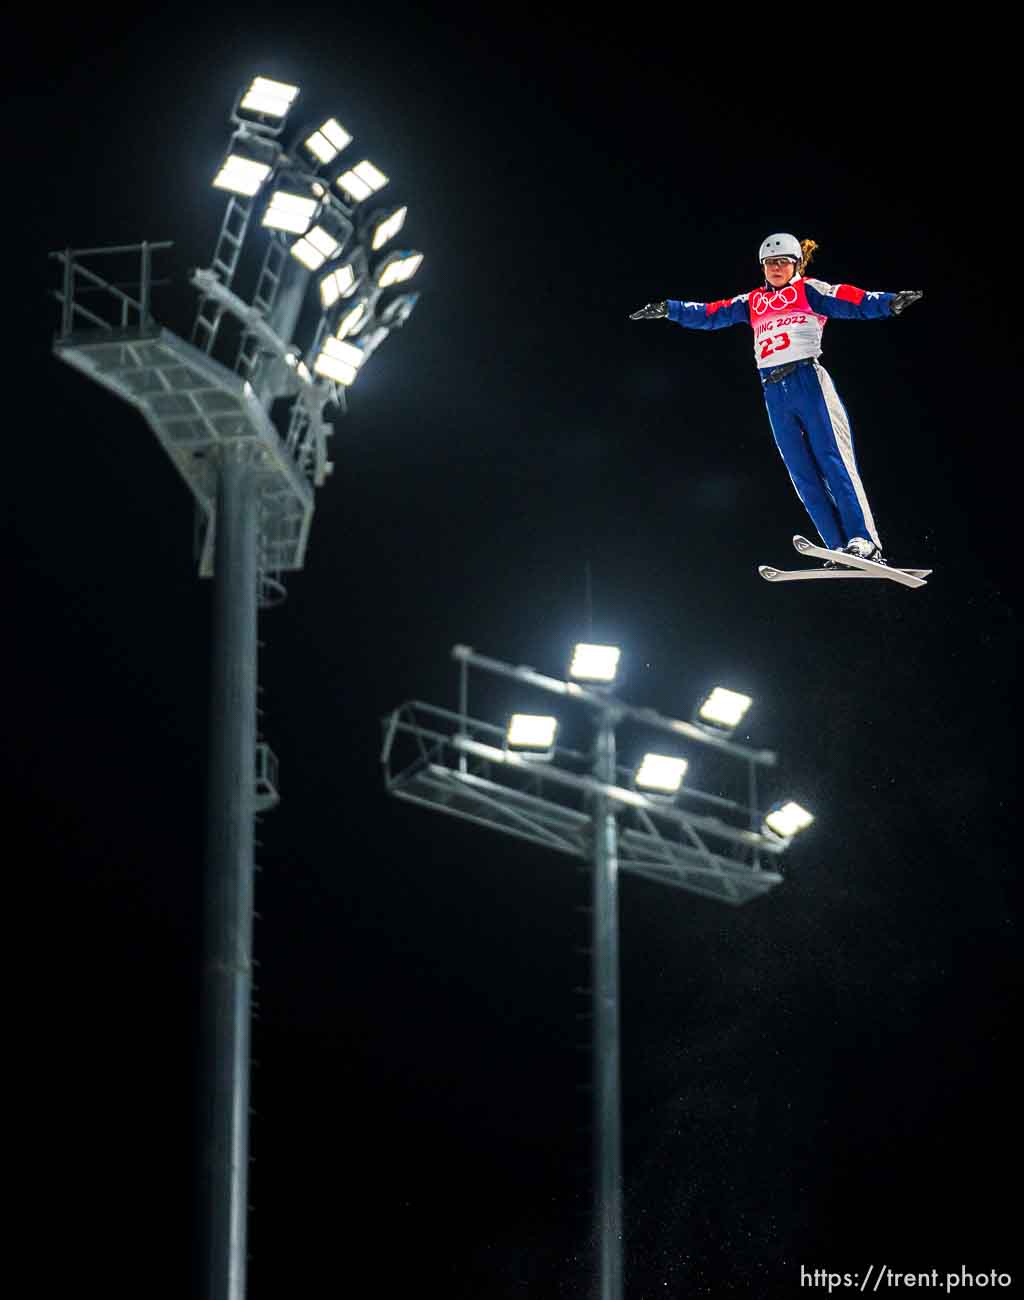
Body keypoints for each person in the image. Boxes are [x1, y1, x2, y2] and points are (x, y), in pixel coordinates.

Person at [630, 234, 923, 565]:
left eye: (783, 261)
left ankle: (864, 541)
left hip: (807, 380)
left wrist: (888, 302)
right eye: (770, 263)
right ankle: (837, 548)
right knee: (801, 471)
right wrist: (671, 309)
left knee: (833, 460)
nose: (776, 268)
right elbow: (712, 313)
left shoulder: (808, 290)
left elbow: (848, 298)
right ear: (762, 267)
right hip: (773, 389)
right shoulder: (752, 301)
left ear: (796, 263)